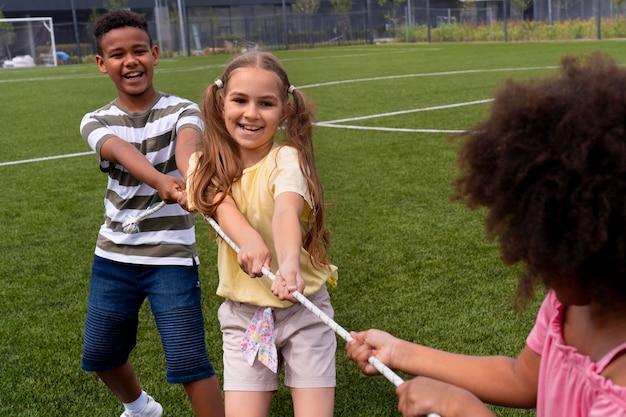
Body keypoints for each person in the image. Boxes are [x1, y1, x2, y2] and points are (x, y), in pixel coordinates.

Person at [346, 52, 626, 417]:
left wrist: (461, 407)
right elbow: (521, 378)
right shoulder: (568, 303)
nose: (538, 261)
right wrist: (400, 352)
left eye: (557, 250)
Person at [79, 9, 224, 417]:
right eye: (118, 54)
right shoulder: (95, 121)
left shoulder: (182, 110)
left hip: (171, 258)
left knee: (189, 360)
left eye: (139, 51)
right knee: (101, 353)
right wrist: (162, 182)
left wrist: (191, 174)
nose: (131, 61)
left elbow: (189, 144)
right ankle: (141, 408)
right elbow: (120, 152)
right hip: (113, 257)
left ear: (155, 54)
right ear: (101, 64)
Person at [186, 50, 338, 417]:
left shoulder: (288, 159)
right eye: (240, 100)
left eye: (266, 103)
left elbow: (286, 210)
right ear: (222, 103)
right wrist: (248, 238)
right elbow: (219, 205)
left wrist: (288, 266)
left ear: (284, 110)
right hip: (244, 317)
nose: (251, 113)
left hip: (305, 311)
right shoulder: (201, 164)